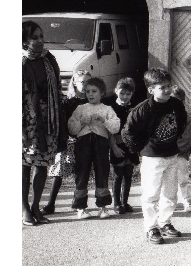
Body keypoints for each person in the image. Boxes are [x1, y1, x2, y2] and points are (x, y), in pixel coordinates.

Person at [122, 68, 188, 244]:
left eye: (169, 86)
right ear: (151, 89)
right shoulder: (143, 110)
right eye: (162, 87)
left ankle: (165, 222)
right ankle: (151, 227)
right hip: (153, 157)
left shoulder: (175, 104)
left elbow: (181, 122)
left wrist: (175, 140)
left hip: (172, 155)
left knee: (170, 192)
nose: (167, 90)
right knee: (151, 194)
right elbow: (128, 133)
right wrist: (139, 148)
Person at [22, 20, 67, 226]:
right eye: (35, 38)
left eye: (41, 37)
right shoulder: (20, 63)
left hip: (48, 120)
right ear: (23, 40)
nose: (40, 41)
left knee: (43, 165)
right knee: (24, 165)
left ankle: (35, 207)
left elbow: (57, 88)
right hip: (26, 121)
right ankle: (24, 210)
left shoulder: (49, 59)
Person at [67, 77, 121, 219]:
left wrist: (104, 120)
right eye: (87, 91)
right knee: (82, 173)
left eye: (94, 91)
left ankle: (103, 207)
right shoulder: (80, 109)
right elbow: (71, 128)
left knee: (102, 172)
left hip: (101, 144)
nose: (90, 94)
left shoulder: (107, 109)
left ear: (102, 93)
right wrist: (82, 122)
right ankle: (81, 208)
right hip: (83, 144)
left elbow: (115, 127)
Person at [41, 69, 90, 216]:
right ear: (74, 82)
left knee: (81, 172)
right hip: (68, 140)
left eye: (88, 82)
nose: (85, 85)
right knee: (59, 171)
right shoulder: (68, 101)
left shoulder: (91, 101)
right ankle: (50, 204)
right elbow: (63, 121)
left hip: (85, 140)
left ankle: (78, 203)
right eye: (82, 82)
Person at [103, 77, 140, 215]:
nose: (124, 97)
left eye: (128, 94)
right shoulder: (111, 108)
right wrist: (114, 147)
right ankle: (117, 203)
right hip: (116, 145)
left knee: (128, 174)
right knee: (118, 175)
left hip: (130, 146)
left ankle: (125, 202)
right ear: (116, 91)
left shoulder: (134, 109)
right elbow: (108, 131)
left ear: (132, 94)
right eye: (122, 93)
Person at [171, 85, 191, 213]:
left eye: (177, 101)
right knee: (168, 180)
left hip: (180, 153)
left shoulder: (185, 118)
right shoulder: (162, 116)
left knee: (183, 178)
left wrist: (175, 148)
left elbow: (188, 137)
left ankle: (187, 200)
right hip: (166, 154)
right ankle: (171, 202)